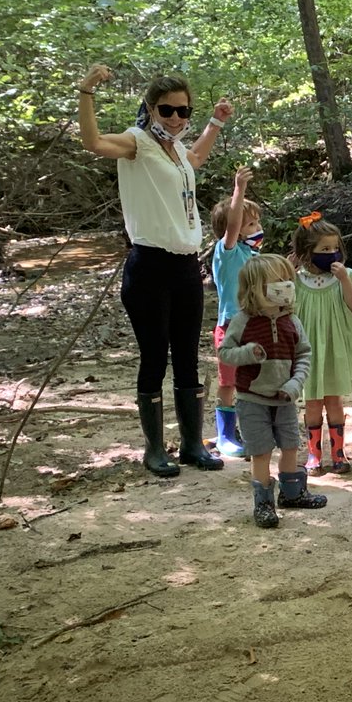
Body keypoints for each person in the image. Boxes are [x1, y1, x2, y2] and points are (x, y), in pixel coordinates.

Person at [76, 63, 232, 478]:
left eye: (184, 111)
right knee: (154, 355)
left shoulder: (177, 147)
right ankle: (154, 449)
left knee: (186, 353)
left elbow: (196, 157)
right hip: (148, 265)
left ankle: (193, 445)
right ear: (150, 107)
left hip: (185, 265)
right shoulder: (137, 142)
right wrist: (86, 92)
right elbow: (92, 142)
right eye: (168, 110)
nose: (177, 118)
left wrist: (215, 122)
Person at [217, 254, 324, 528]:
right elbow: (225, 352)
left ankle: (292, 493)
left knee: (290, 445)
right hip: (252, 400)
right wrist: (248, 353)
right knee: (261, 451)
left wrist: (295, 384)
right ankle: (263, 503)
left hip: (285, 399)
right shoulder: (243, 321)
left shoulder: (292, 321)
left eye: (287, 280)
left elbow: (304, 355)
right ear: (254, 289)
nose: (284, 286)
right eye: (276, 282)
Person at [291, 212, 352, 475]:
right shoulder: (297, 281)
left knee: (334, 401)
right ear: (306, 251)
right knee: (312, 402)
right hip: (309, 351)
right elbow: (282, 306)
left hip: (334, 349)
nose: (332, 253)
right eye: (324, 249)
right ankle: (313, 454)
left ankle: (338, 453)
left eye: (335, 248)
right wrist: (287, 273)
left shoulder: (346, 277)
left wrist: (345, 279)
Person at [209, 167, 263, 458]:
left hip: (254, 325)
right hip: (231, 327)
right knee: (229, 381)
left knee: (251, 380)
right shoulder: (226, 251)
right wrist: (238, 190)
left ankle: (247, 429)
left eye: (256, 224)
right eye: (249, 224)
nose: (256, 229)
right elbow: (232, 227)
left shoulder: (253, 255)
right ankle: (224, 435)